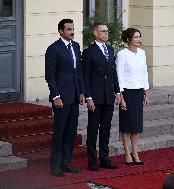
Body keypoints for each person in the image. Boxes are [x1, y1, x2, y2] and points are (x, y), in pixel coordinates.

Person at [45, 19, 85, 177]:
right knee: (59, 132)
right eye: (68, 29)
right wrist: (56, 96)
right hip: (61, 98)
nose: (72, 31)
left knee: (71, 132)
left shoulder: (76, 46)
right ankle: (55, 165)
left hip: (74, 96)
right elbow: (50, 76)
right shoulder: (53, 49)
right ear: (61, 31)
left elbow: (79, 72)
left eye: (73, 29)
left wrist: (81, 92)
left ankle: (67, 162)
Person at [82, 22, 121, 171]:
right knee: (93, 130)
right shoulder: (89, 52)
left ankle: (105, 159)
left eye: (107, 31)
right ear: (95, 33)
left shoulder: (110, 50)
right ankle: (92, 161)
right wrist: (88, 97)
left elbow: (113, 74)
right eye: (103, 31)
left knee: (106, 129)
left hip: (108, 97)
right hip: (95, 97)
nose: (106, 33)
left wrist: (117, 92)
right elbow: (85, 77)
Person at [116, 28, 149, 165]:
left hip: (138, 91)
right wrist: (121, 97)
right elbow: (119, 76)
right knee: (126, 124)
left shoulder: (142, 53)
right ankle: (127, 153)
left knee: (136, 124)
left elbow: (144, 73)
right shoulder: (122, 54)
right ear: (129, 39)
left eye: (139, 37)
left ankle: (135, 152)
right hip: (127, 92)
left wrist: (146, 94)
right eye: (136, 37)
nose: (139, 39)